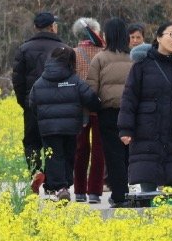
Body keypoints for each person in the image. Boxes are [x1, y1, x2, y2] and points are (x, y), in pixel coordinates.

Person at [119, 22, 172, 195]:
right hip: (147, 132)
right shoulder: (142, 65)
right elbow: (129, 99)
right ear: (159, 37)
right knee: (147, 185)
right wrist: (125, 129)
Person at [29, 46, 101, 200]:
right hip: (70, 128)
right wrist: (98, 106)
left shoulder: (40, 81)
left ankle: (55, 186)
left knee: (53, 156)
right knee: (68, 156)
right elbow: (90, 99)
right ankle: (62, 186)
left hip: (48, 128)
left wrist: (43, 118)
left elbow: (32, 103)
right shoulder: (74, 80)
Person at [12, 11, 66, 193]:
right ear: (52, 27)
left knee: (32, 142)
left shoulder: (24, 49)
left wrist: (25, 102)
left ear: (36, 28)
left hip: (32, 105)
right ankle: (52, 184)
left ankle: (36, 173)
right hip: (58, 106)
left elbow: (18, 81)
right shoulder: (64, 49)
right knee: (54, 144)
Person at [87, 18, 136, 207]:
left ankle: (119, 194)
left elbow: (92, 89)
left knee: (113, 155)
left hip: (108, 114)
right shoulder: (134, 57)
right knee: (128, 155)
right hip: (131, 114)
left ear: (107, 36)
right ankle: (129, 192)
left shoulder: (100, 58)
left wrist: (95, 108)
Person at [71, 17, 106, 204]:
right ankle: (94, 192)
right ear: (96, 32)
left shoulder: (73, 53)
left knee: (80, 149)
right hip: (100, 106)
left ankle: (79, 191)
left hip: (79, 108)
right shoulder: (104, 52)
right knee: (99, 150)